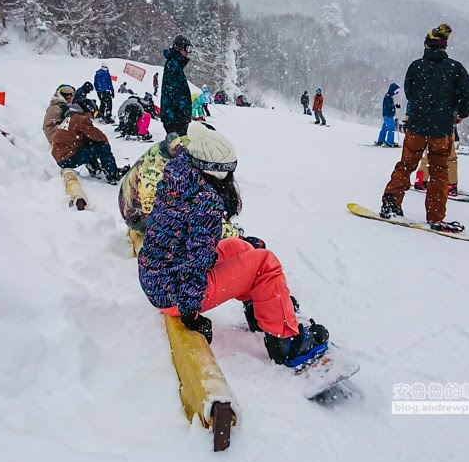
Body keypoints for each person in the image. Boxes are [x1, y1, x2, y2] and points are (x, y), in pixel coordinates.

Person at [137, 123, 329, 367]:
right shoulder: (204, 202)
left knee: (241, 248)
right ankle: (288, 343)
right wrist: (191, 314)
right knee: (265, 262)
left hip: (158, 278)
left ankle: (264, 315)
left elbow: (191, 248)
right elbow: (195, 265)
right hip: (173, 293)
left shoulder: (180, 176)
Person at [380, 24, 469, 233]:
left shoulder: (416, 66)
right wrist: (459, 113)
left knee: (406, 164)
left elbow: (410, 92)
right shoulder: (455, 69)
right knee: (439, 171)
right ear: (444, 47)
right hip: (441, 129)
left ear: (426, 45)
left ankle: (390, 203)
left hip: (417, 125)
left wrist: (422, 109)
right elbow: (468, 93)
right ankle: (435, 215)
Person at [52, 98, 128, 184]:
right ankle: (113, 174)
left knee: (89, 145)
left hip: (61, 157)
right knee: (101, 145)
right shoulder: (80, 118)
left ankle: (95, 169)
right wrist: (105, 142)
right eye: (92, 113)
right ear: (87, 109)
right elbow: (96, 135)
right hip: (68, 157)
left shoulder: (70, 117)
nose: (92, 116)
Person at [161, 35, 192, 136]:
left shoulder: (175, 64)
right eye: (187, 48)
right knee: (177, 148)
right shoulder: (173, 65)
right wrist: (182, 113)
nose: (188, 52)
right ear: (179, 48)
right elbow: (175, 92)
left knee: (179, 147)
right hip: (174, 117)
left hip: (175, 116)